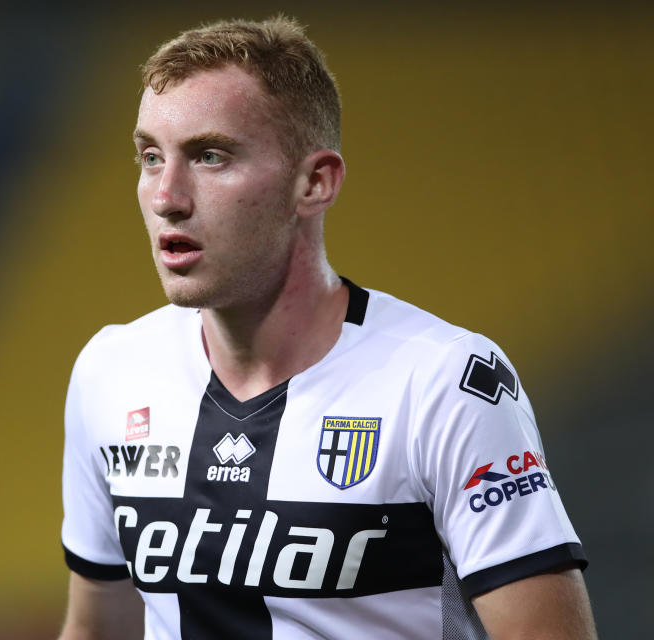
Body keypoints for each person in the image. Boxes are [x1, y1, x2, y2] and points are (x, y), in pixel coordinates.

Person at [59, 16, 597, 640]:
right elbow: (100, 630)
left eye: (210, 156)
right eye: (150, 157)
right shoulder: (112, 372)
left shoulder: (444, 382)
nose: (167, 196)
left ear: (314, 182)